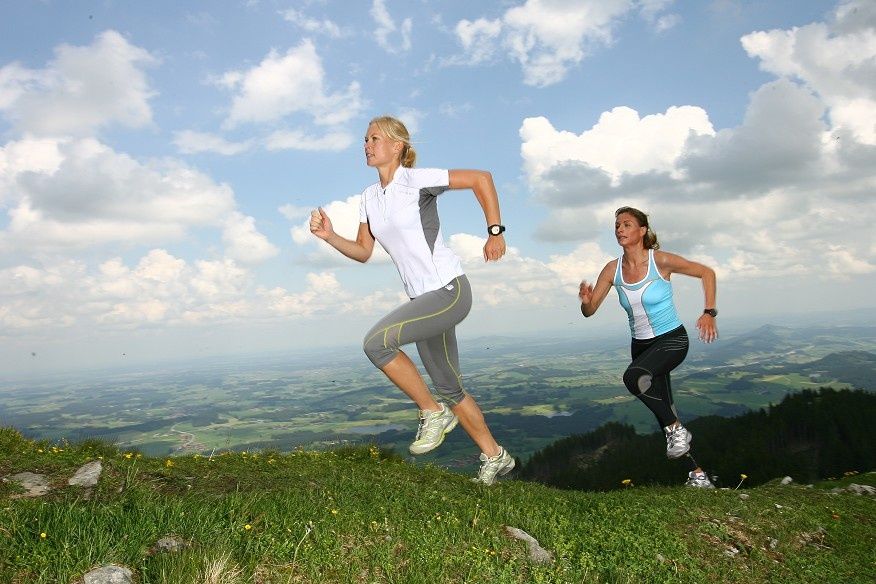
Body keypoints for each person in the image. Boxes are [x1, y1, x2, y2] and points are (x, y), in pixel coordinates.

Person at [309, 115, 515, 485]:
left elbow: (481, 178)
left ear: (397, 145)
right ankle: (495, 456)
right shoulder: (368, 198)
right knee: (450, 386)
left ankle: (431, 412)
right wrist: (329, 236)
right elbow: (362, 251)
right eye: (365, 140)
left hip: (448, 291)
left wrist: (495, 232)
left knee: (377, 343)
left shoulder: (416, 181)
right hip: (424, 299)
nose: (367, 145)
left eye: (373, 138)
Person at [578, 207, 718, 488]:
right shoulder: (612, 269)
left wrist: (709, 312)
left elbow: (706, 272)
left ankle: (678, 431)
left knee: (633, 378)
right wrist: (585, 300)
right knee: (665, 411)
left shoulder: (660, 261)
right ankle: (698, 475)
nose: (619, 229)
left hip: (672, 341)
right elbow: (589, 311)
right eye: (617, 225)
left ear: (642, 231)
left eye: (627, 224)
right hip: (641, 347)